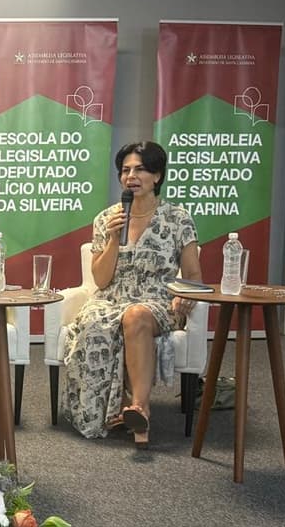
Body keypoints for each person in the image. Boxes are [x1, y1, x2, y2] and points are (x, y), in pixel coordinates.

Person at [61, 140, 202, 448]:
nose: (131, 177)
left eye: (140, 170)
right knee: (93, 323)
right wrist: (113, 237)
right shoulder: (106, 219)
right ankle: (118, 408)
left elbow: (193, 274)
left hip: (157, 301)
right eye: (125, 171)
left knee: (135, 315)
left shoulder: (178, 218)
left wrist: (186, 294)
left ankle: (140, 410)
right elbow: (101, 279)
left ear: (157, 175)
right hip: (110, 299)